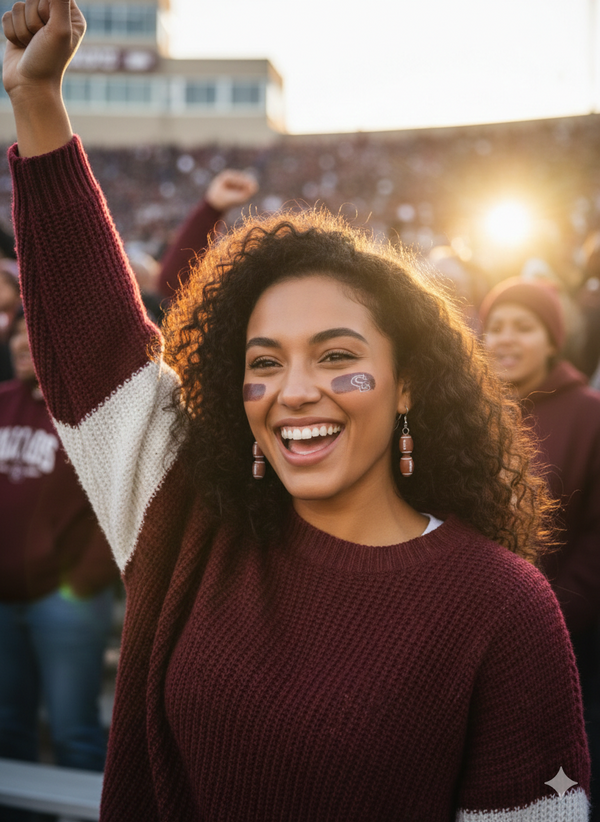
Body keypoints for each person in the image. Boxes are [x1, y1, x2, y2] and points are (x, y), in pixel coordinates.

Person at [1, 2, 591, 819]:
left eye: (338, 356)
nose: (294, 390)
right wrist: (36, 101)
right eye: (263, 363)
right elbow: (95, 340)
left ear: (410, 380)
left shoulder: (505, 609)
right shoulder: (188, 523)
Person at [482, 276, 600, 820]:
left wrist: (552, 612)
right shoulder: (472, 416)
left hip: (566, 638)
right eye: (495, 326)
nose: (504, 338)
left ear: (553, 340)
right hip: (475, 640)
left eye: (522, 327)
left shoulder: (588, 415)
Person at [0, 311, 119, 821]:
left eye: (35, 334)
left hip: (66, 604)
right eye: (16, 335)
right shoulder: (1, 402)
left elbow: (117, 501)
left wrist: (84, 581)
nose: (24, 343)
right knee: (8, 729)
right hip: (3, 604)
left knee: (75, 732)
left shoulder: (88, 413)